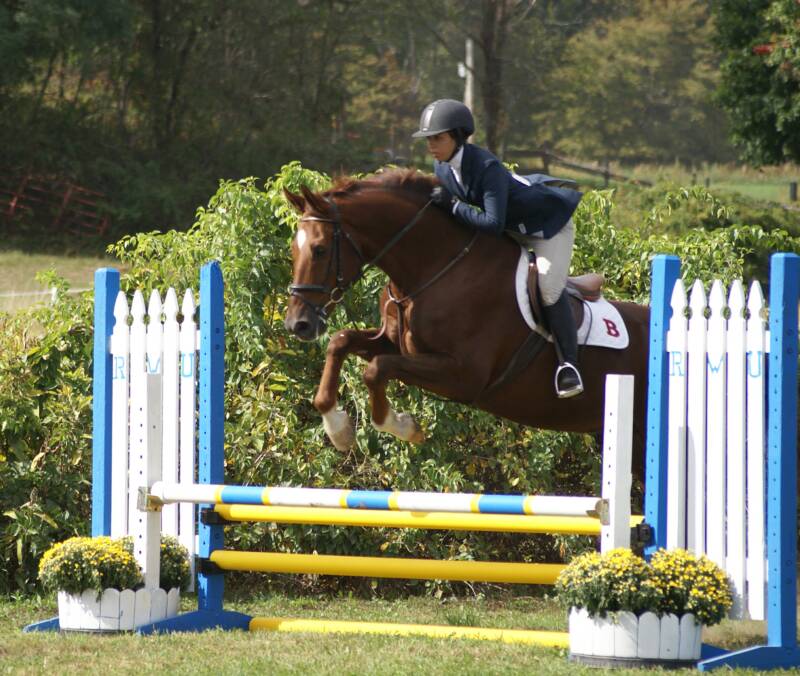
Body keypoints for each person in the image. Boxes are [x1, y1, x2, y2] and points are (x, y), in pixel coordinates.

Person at [412, 98, 584, 398]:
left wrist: (452, 206)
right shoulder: (441, 167)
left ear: (457, 135)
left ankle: (569, 366)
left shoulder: (486, 166)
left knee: (547, 288)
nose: (431, 145)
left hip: (546, 228)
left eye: (437, 138)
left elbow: (491, 222)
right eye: (428, 139)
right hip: (511, 230)